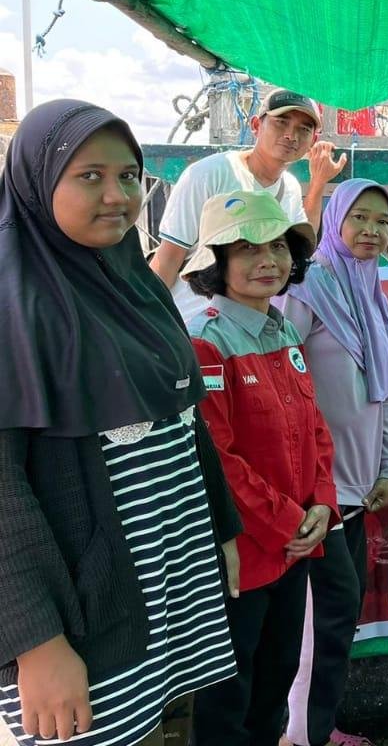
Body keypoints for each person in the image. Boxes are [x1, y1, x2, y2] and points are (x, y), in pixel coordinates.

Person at [0, 99, 241, 746]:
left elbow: (186, 421)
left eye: (130, 176)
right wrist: (34, 642)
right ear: (35, 181)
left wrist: (222, 527)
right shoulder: (12, 305)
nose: (118, 195)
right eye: (89, 176)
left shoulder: (136, 284)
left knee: (151, 724)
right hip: (84, 609)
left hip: (166, 570)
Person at [182, 191, 338, 746]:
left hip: (292, 546)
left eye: (277, 245)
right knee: (230, 697)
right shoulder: (205, 340)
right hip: (240, 557)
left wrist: (322, 502)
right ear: (216, 262)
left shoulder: (284, 330)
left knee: (275, 684)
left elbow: (315, 427)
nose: (267, 259)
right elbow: (217, 459)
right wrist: (288, 522)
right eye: (246, 248)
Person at [280, 179, 388, 746]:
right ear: (334, 221)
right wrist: (309, 482)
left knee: (337, 617)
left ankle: (317, 728)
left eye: (382, 220)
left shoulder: (374, 296)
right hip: (315, 493)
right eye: (359, 218)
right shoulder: (307, 289)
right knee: (319, 621)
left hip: (356, 490)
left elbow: (386, 397)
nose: (372, 231)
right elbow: (282, 383)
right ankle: (301, 734)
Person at [150, 90, 347, 322]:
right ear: (256, 125)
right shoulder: (209, 174)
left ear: (313, 139)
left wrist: (318, 182)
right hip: (192, 324)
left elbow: (302, 243)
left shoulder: (290, 187)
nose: (291, 135)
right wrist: (149, 324)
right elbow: (168, 259)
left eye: (303, 129)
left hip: (248, 330)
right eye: (281, 122)